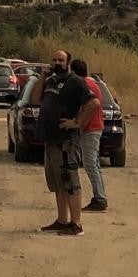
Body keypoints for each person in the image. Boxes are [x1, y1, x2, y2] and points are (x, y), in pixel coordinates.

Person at [30, 49, 100, 236]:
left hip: (66, 142)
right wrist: (42, 78)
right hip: (50, 140)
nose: (57, 63)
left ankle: (76, 224)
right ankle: (62, 220)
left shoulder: (75, 82)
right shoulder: (51, 81)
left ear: (68, 63)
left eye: (61, 60)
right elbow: (35, 99)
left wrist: (77, 123)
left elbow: (94, 103)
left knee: (70, 182)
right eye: (54, 60)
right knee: (57, 183)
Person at [71, 58, 108, 212]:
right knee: (94, 164)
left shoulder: (84, 85)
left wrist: (78, 123)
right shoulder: (93, 83)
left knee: (90, 163)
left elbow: (87, 106)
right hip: (95, 127)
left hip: (90, 128)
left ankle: (99, 198)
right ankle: (100, 196)